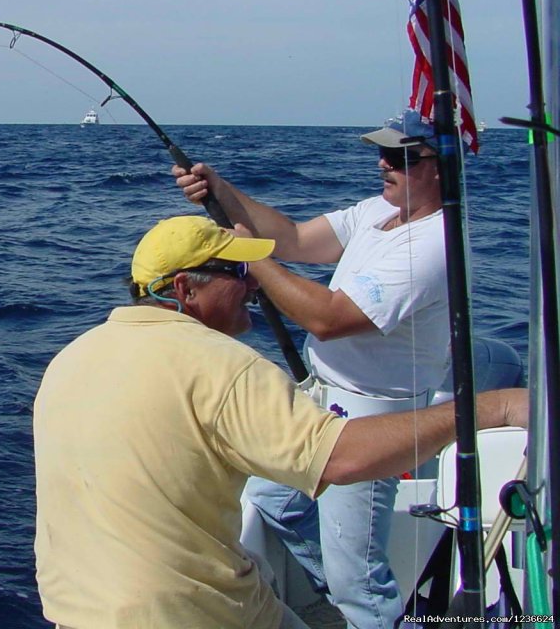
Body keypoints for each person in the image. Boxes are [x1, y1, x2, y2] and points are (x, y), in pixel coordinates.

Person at [32, 214, 526, 629]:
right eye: (238, 271)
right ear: (183, 288)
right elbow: (344, 459)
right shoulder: (219, 364)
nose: (253, 283)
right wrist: (491, 408)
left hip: (74, 611)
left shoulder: (72, 356)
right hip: (193, 615)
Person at [172, 110, 453, 628]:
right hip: (323, 399)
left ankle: (365, 607)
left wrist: (248, 258)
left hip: (371, 418)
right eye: (383, 153)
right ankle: (343, 596)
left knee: (359, 580)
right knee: (273, 498)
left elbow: (328, 319)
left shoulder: (434, 243)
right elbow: (297, 239)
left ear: (441, 167)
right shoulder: (380, 212)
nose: (384, 164)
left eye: (403, 156)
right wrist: (222, 189)